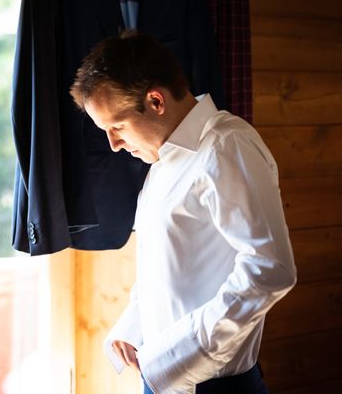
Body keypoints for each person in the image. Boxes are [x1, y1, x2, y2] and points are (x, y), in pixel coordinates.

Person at [70, 30, 297, 394]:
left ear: (156, 101)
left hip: (215, 386)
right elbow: (167, 270)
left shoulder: (226, 145)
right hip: (161, 375)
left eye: (117, 126)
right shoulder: (162, 164)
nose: (113, 144)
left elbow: (270, 269)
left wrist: (179, 355)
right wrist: (136, 327)